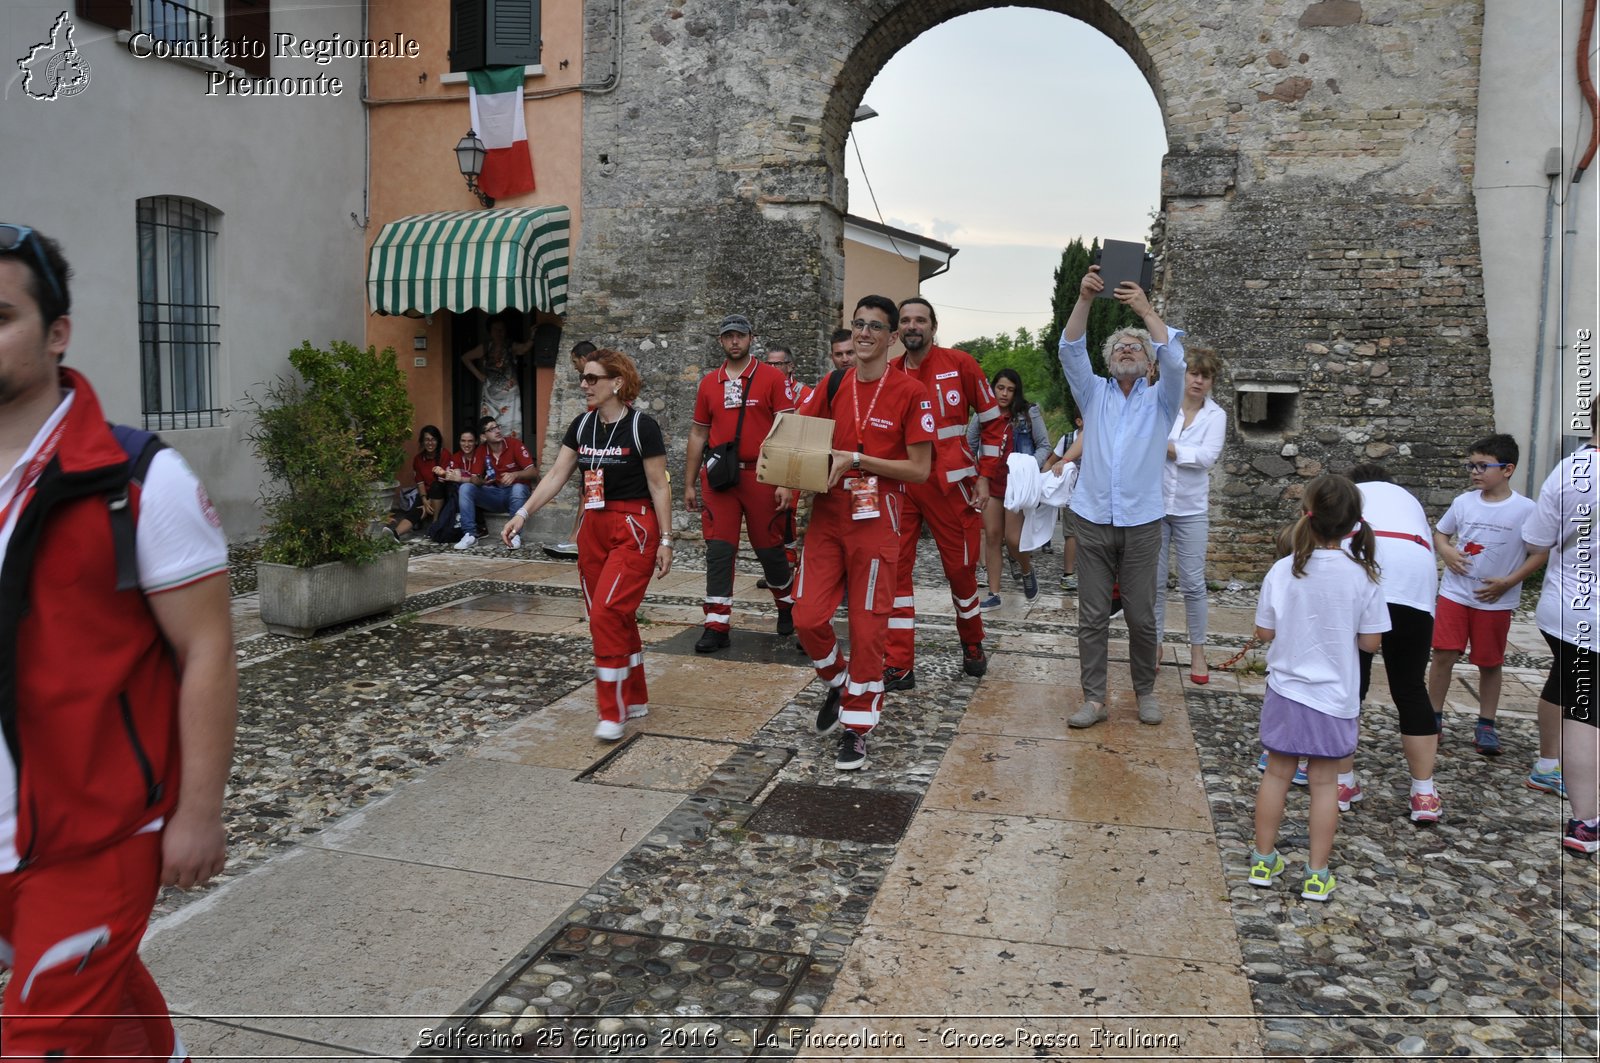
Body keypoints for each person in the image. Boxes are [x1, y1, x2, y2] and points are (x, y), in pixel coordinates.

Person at [0, 224, 237, 1058]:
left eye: (1, 315)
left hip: (94, 833)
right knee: (97, 1002)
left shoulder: (140, 480)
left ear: (56, 333)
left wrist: (198, 813)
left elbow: (207, 650)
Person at [788, 296, 933, 769]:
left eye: (874, 327)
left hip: (877, 518)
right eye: (857, 326)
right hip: (829, 515)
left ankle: (856, 728)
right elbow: (803, 436)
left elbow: (919, 470)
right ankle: (837, 679)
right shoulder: (833, 383)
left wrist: (858, 460)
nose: (864, 334)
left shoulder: (911, 393)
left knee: (869, 629)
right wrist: (789, 480)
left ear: (892, 338)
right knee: (807, 618)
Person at [503, 349, 672, 740]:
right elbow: (556, 476)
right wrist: (523, 514)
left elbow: (659, 485)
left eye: (593, 378)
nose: (585, 384)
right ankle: (634, 697)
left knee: (606, 613)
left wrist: (666, 540)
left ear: (617, 383)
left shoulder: (642, 427)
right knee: (611, 616)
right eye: (584, 378)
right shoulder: (582, 426)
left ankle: (611, 712)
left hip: (634, 527)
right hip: (592, 527)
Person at [1249, 475, 1389, 903]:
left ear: (1307, 514)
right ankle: (1316, 873)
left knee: (1276, 774)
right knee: (1325, 786)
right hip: (1334, 696)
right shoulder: (1364, 576)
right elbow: (1370, 642)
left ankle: (1262, 860)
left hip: (1287, 690)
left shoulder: (1283, 568)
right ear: (1352, 525)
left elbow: (1263, 631)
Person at [1057, 264, 1185, 727]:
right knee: (1091, 616)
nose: (1127, 350)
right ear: (1110, 361)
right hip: (1091, 519)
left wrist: (1146, 311)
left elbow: (1176, 359)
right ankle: (1094, 699)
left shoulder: (1162, 399)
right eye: (1119, 348)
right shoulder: (1093, 394)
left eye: (1136, 348)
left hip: (1142, 522)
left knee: (1142, 617)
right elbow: (1070, 350)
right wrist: (1086, 298)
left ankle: (1145, 692)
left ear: (1148, 364)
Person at [882, 297, 1002, 690]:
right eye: (906, 321)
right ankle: (899, 662)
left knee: (960, 572)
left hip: (951, 486)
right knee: (896, 571)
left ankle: (972, 641)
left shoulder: (960, 364)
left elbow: (993, 423)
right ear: (897, 332)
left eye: (921, 319)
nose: (913, 326)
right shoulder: (890, 373)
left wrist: (984, 475)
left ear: (934, 327)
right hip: (905, 484)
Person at [1332, 465, 1447, 822]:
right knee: (1410, 686)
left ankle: (1342, 782)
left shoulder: (1352, 496)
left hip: (1363, 571)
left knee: (1352, 682)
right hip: (1413, 581)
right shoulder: (1409, 501)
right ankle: (1423, 794)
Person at [683, 314, 796, 651]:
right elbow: (698, 433)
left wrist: (786, 480)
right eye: (728, 336)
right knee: (719, 550)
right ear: (720, 341)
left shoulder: (771, 378)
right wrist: (688, 483)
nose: (734, 341)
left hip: (762, 475)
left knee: (770, 549)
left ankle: (788, 604)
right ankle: (716, 624)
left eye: (740, 336)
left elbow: (786, 429)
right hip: (720, 478)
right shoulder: (708, 383)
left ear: (751, 338)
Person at [1426, 434, 1543, 755]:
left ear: (1508, 470)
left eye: (1483, 466)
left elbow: (1539, 552)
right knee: (1443, 655)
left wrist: (1509, 581)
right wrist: (1446, 552)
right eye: (1471, 465)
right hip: (1454, 594)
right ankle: (1433, 717)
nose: (1475, 472)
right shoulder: (1464, 502)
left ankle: (1486, 723)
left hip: (1495, 601)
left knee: (1489, 662)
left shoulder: (1526, 509)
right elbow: (1441, 533)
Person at [1519, 419, 1597, 838]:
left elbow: (1536, 539)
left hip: (1564, 609)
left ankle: (1548, 765)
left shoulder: (1569, 470)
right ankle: (1585, 821)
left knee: (1566, 683)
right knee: (1587, 709)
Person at [1155, 347, 1227, 684]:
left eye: (1205, 375)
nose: (1198, 380)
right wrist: (1181, 452)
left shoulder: (1217, 417)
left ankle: (1198, 650)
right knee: (1153, 584)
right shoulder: (1164, 406)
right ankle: (1154, 644)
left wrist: (1166, 448)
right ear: (1183, 375)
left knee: (1193, 584)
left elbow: (1206, 458)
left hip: (1191, 510)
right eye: (1193, 373)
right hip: (1155, 507)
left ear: (1211, 381)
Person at [969, 368, 1051, 607]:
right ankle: (994, 594)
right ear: (993, 388)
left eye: (1010, 390)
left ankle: (1026, 569)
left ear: (1017, 392)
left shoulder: (1028, 413)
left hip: (1016, 486)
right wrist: (975, 476)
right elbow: (969, 444)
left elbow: (1044, 445)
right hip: (991, 484)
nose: (1004, 394)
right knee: (992, 537)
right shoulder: (983, 415)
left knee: (1013, 539)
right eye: (1000, 388)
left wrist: (1027, 465)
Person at [546, 341, 599, 561]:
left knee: (590, 493)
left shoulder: (601, 385)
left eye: (575, 361)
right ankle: (577, 538)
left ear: (583, 359)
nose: (576, 367)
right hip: (594, 444)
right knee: (587, 492)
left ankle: (578, 540)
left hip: (599, 448)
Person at [454, 416, 538, 550]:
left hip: (516, 494)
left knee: (517, 488)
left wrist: (515, 474)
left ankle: (514, 535)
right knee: (465, 488)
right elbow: (475, 478)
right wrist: (480, 481)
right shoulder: (481, 450)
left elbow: (533, 472)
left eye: (497, 427)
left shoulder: (514, 444)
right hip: (495, 494)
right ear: (483, 436)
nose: (497, 431)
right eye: (491, 429)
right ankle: (470, 534)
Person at [462, 315, 532, 437]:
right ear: (490, 331)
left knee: (511, 425)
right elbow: (465, 358)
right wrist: (479, 375)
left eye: (502, 329)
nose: (499, 332)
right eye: (496, 329)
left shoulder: (510, 346)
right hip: (490, 395)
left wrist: (533, 337)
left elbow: (524, 348)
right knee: (489, 425)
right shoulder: (486, 347)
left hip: (510, 395)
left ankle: (511, 453)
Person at [382, 424, 448, 540]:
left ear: (438, 441)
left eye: (433, 440)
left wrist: (429, 502)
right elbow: (420, 482)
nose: (430, 443)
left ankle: (435, 523)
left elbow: (443, 481)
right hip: (425, 494)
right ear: (422, 442)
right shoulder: (418, 459)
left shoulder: (444, 454)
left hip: (442, 494)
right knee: (417, 510)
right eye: (427, 440)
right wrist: (424, 500)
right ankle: (395, 534)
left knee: (436, 487)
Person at [1045, 414, 1085, 589]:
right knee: (1071, 534)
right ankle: (1068, 574)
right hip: (1071, 496)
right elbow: (1051, 461)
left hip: (1095, 496)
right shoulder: (1068, 439)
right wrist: (1042, 483)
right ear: (1079, 421)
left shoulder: (1102, 437)